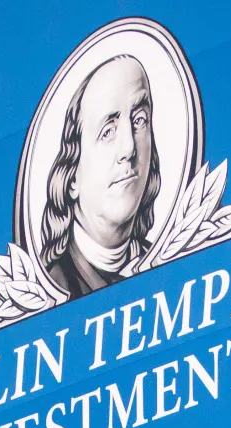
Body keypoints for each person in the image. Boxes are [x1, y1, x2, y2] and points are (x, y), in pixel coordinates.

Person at [40, 55, 161, 298]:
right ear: (72, 177)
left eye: (139, 120)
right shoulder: (55, 291)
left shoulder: (164, 266)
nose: (129, 148)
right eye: (108, 132)